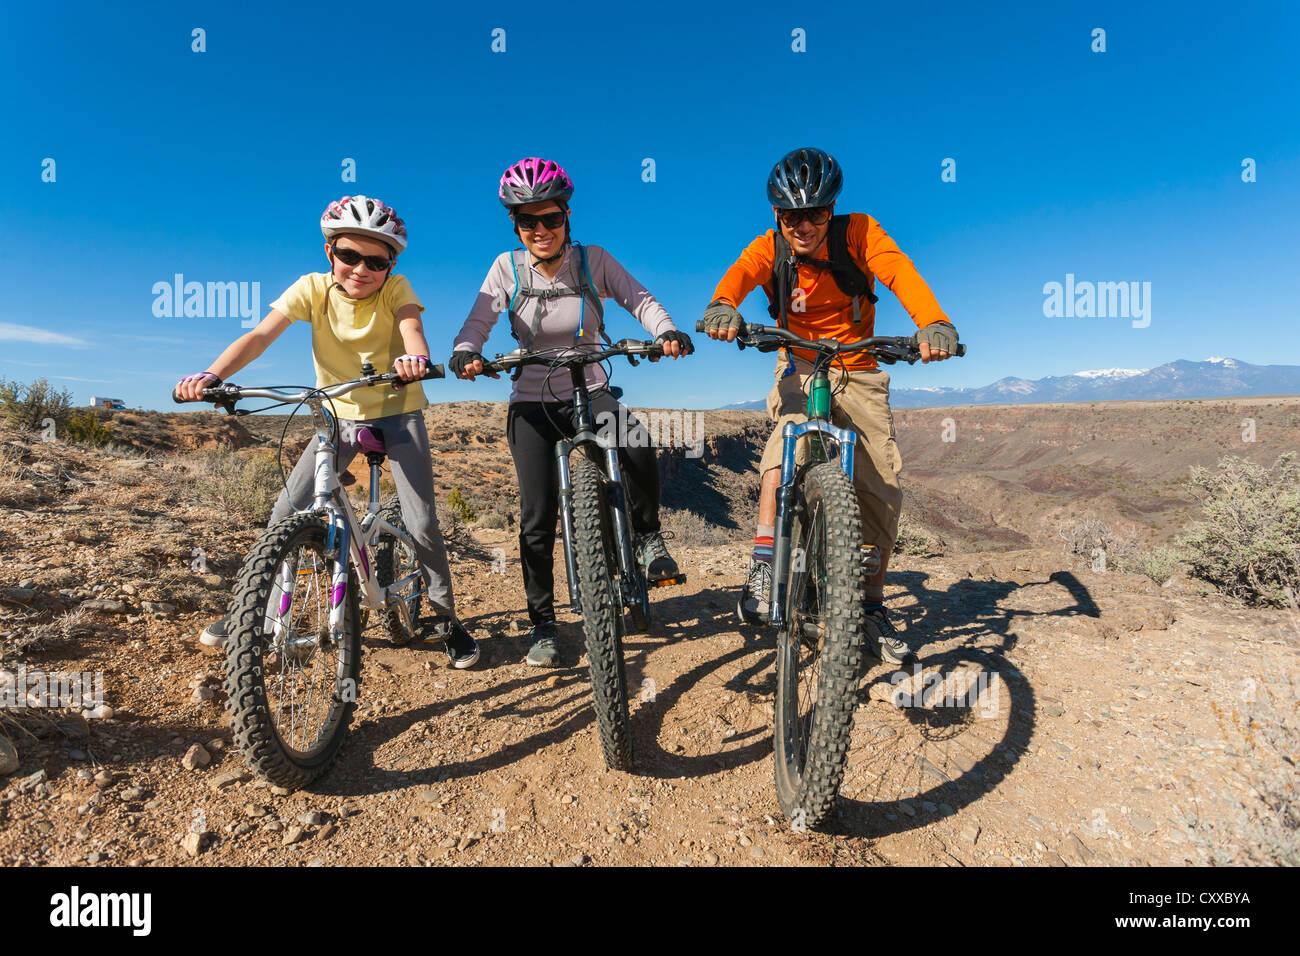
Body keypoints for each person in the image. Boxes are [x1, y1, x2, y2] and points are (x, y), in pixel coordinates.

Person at [174, 195, 480, 668]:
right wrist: (211, 375)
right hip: (335, 416)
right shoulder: (312, 289)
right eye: (349, 255)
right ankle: (261, 616)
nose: (361, 269)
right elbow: (259, 336)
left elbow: (411, 327)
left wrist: (414, 357)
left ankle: (446, 619)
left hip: (397, 412)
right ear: (329, 253)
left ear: (390, 264)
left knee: (421, 522)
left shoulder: (396, 288)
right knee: (286, 509)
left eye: (375, 261)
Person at [700, 147, 959, 665]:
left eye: (815, 213)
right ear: (777, 215)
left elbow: (898, 271)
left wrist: (933, 320)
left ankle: (870, 606)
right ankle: (764, 560)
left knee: (882, 485)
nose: (803, 225)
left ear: (831, 209)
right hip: (796, 363)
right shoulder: (769, 248)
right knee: (784, 446)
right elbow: (739, 275)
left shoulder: (860, 233)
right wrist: (722, 307)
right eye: (791, 215)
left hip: (859, 366)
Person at [450, 157, 693, 667]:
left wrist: (664, 330)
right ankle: (543, 625)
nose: (541, 230)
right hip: (532, 402)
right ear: (515, 225)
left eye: (551, 219)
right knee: (537, 517)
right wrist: (467, 351)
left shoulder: (593, 260)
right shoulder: (505, 269)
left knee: (637, 442)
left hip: (592, 384)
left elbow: (640, 299)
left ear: (567, 217)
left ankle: (647, 537)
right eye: (527, 221)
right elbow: (477, 322)